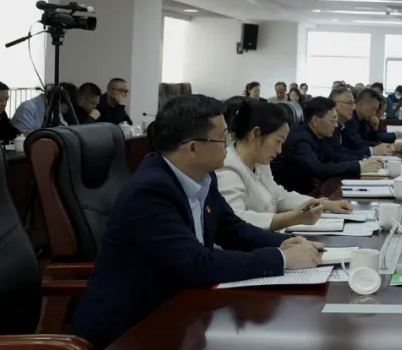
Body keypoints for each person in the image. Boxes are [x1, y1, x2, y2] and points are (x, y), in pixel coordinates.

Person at [70, 94, 323, 349]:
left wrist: (284, 243)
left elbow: (231, 229)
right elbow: (197, 263)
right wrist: (280, 259)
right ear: (192, 148)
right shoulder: (149, 193)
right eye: (222, 138)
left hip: (181, 312)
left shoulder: (203, 177)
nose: (228, 145)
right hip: (131, 328)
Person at [218, 99, 353, 230]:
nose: (279, 150)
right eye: (278, 141)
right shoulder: (227, 168)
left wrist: (324, 204)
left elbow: (279, 196)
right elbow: (236, 220)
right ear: (255, 134)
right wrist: (293, 218)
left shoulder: (259, 162)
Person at [271, 97, 383, 194]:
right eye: (333, 120)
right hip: (291, 196)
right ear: (315, 121)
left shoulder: (316, 135)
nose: (336, 125)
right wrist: (359, 166)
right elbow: (318, 169)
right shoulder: (300, 139)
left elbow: (335, 156)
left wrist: (364, 161)